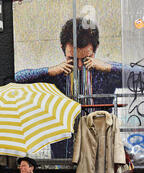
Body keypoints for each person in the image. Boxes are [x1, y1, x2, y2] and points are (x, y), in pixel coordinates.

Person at [14, 17, 144, 158]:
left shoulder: (105, 73)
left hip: (100, 150)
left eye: (86, 58)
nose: (80, 65)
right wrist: (48, 71)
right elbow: (16, 78)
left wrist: (109, 67)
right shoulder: (57, 74)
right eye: (72, 59)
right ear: (62, 48)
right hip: (64, 152)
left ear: (96, 48)